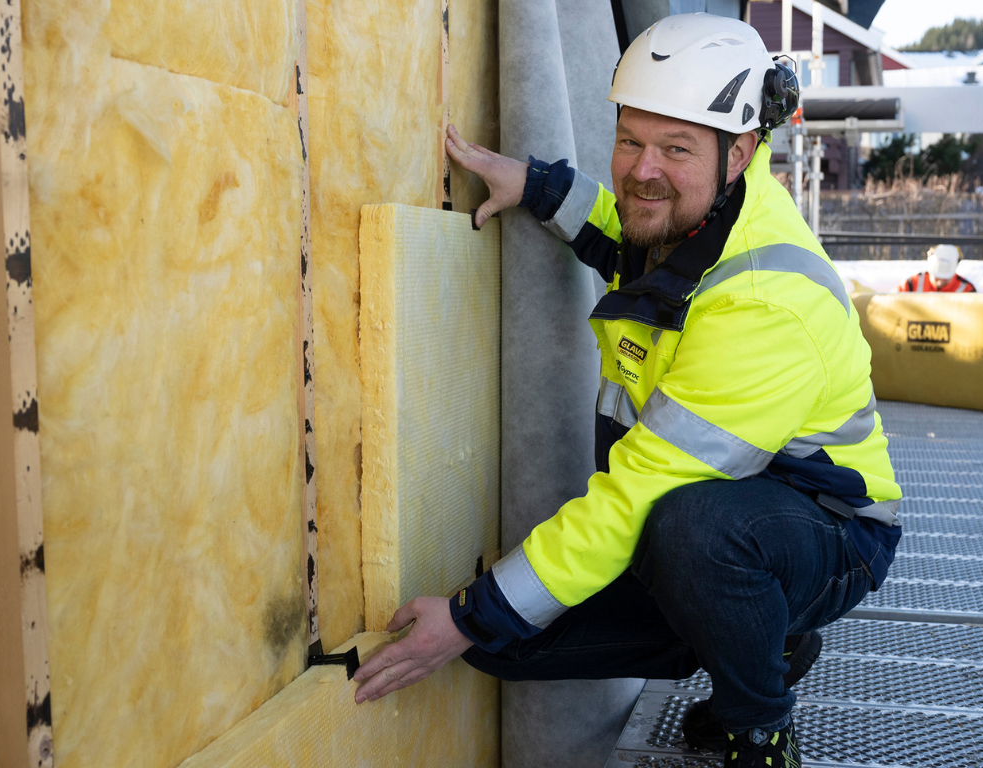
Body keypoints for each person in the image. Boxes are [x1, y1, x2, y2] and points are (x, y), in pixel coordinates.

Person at [351, 14, 901, 768]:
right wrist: (539, 188)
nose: (644, 168)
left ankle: (759, 723)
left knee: (689, 533)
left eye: (676, 148)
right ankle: (759, 633)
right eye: (631, 140)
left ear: (740, 150)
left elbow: (640, 498)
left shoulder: (764, 299)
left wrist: (467, 615)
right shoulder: (692, 216)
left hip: (824, 525)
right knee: (508, 649)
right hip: (698, 510)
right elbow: (622, 228)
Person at [898, 244, 976, 293]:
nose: (940, 282)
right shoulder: (912, 284)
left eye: (945, 279)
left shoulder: (966, 290)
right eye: (937, 278)